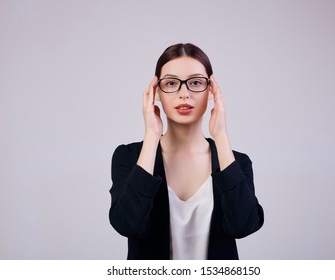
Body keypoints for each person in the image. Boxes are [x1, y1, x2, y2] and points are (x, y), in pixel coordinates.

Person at [109, 43, 264, 260]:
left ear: (211, 91)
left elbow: (243, 226)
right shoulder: (129, 157)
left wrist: (221, 137)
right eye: (171, 83)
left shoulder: (236, 162)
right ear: (156, 92)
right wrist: (152, 136)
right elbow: (128, 224)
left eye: (196, 83)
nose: (184, 94)